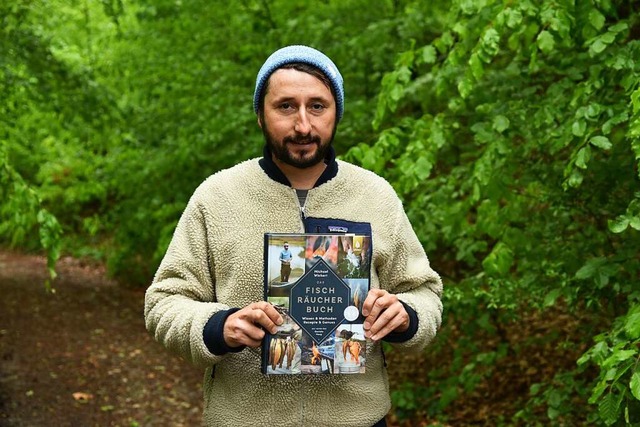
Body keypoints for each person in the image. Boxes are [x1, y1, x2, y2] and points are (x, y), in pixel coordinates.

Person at [144, 45, 443, 427]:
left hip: (358, 420)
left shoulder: (375, 195)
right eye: (285, 106)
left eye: (317, 106)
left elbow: (425, 293)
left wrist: (407, 316)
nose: (303, 125)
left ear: (336, 112)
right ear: (259, 115)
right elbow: (164, 302)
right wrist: (220, 325)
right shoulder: (216, 197)